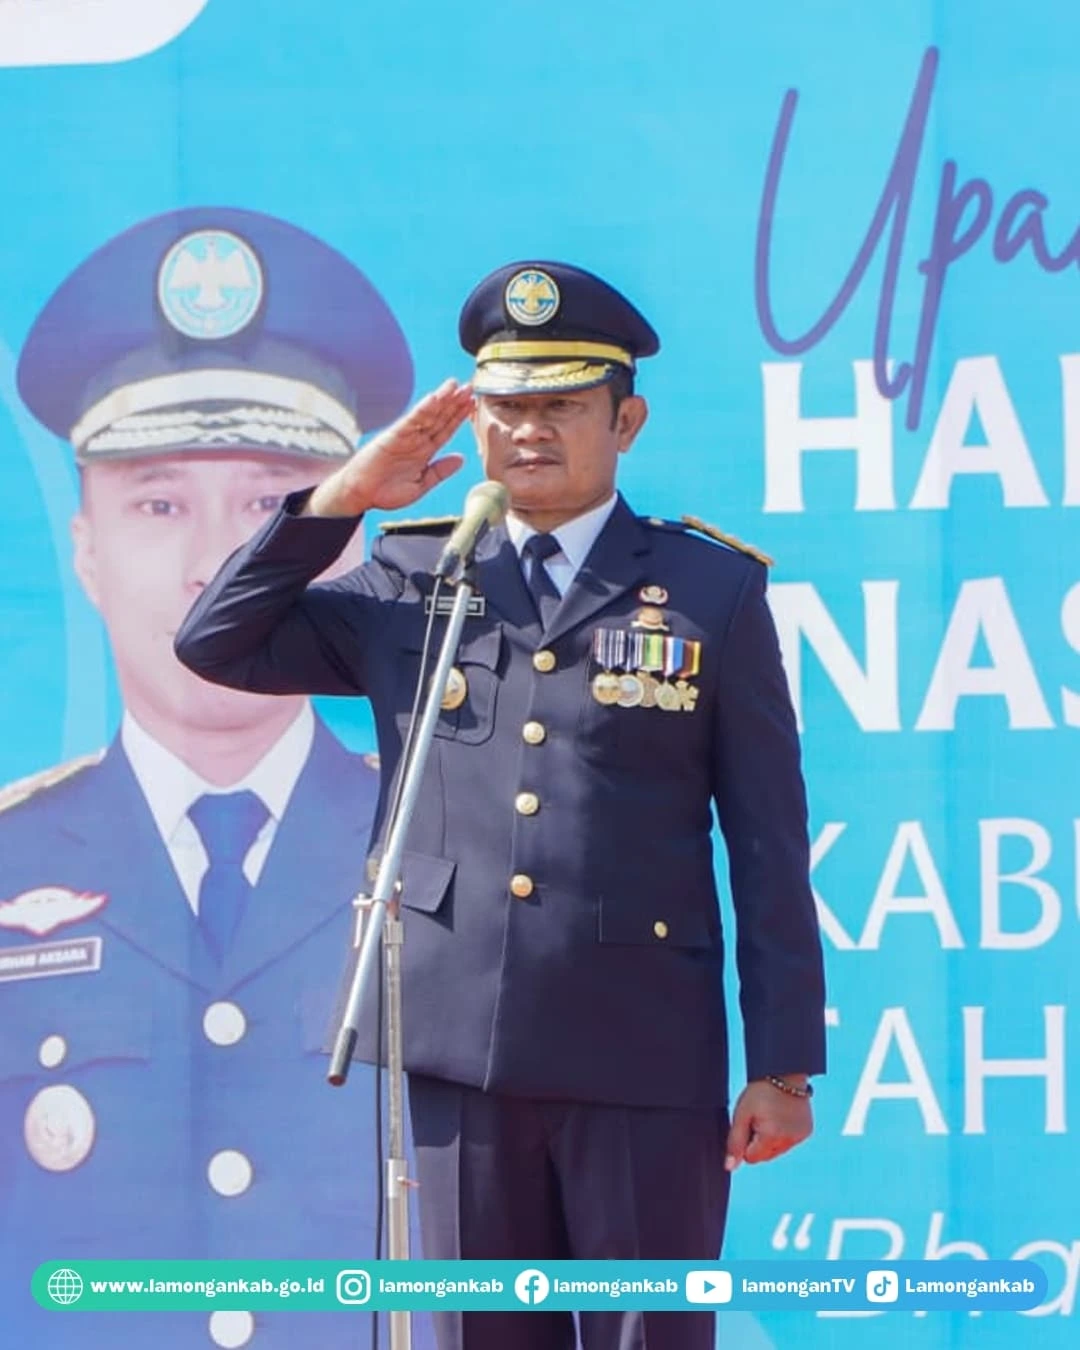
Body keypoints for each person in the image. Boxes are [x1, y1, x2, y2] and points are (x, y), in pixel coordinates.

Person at [175, 259, 828, 1350]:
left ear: (626, 422)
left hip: (641, 1048)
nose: (529, 431)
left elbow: (768, 841)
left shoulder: (709, 590)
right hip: (457, 1047)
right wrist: (343, 500)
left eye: (561, 407)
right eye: (506, 408)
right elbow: (217, 643)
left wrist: (783, 1065)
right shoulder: (415, 575)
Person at [0, 206, 434, 1350]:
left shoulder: (449, 842)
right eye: (158, 504)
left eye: (274, 508)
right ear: (86, 549)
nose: (216, 565)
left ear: (347, 547)